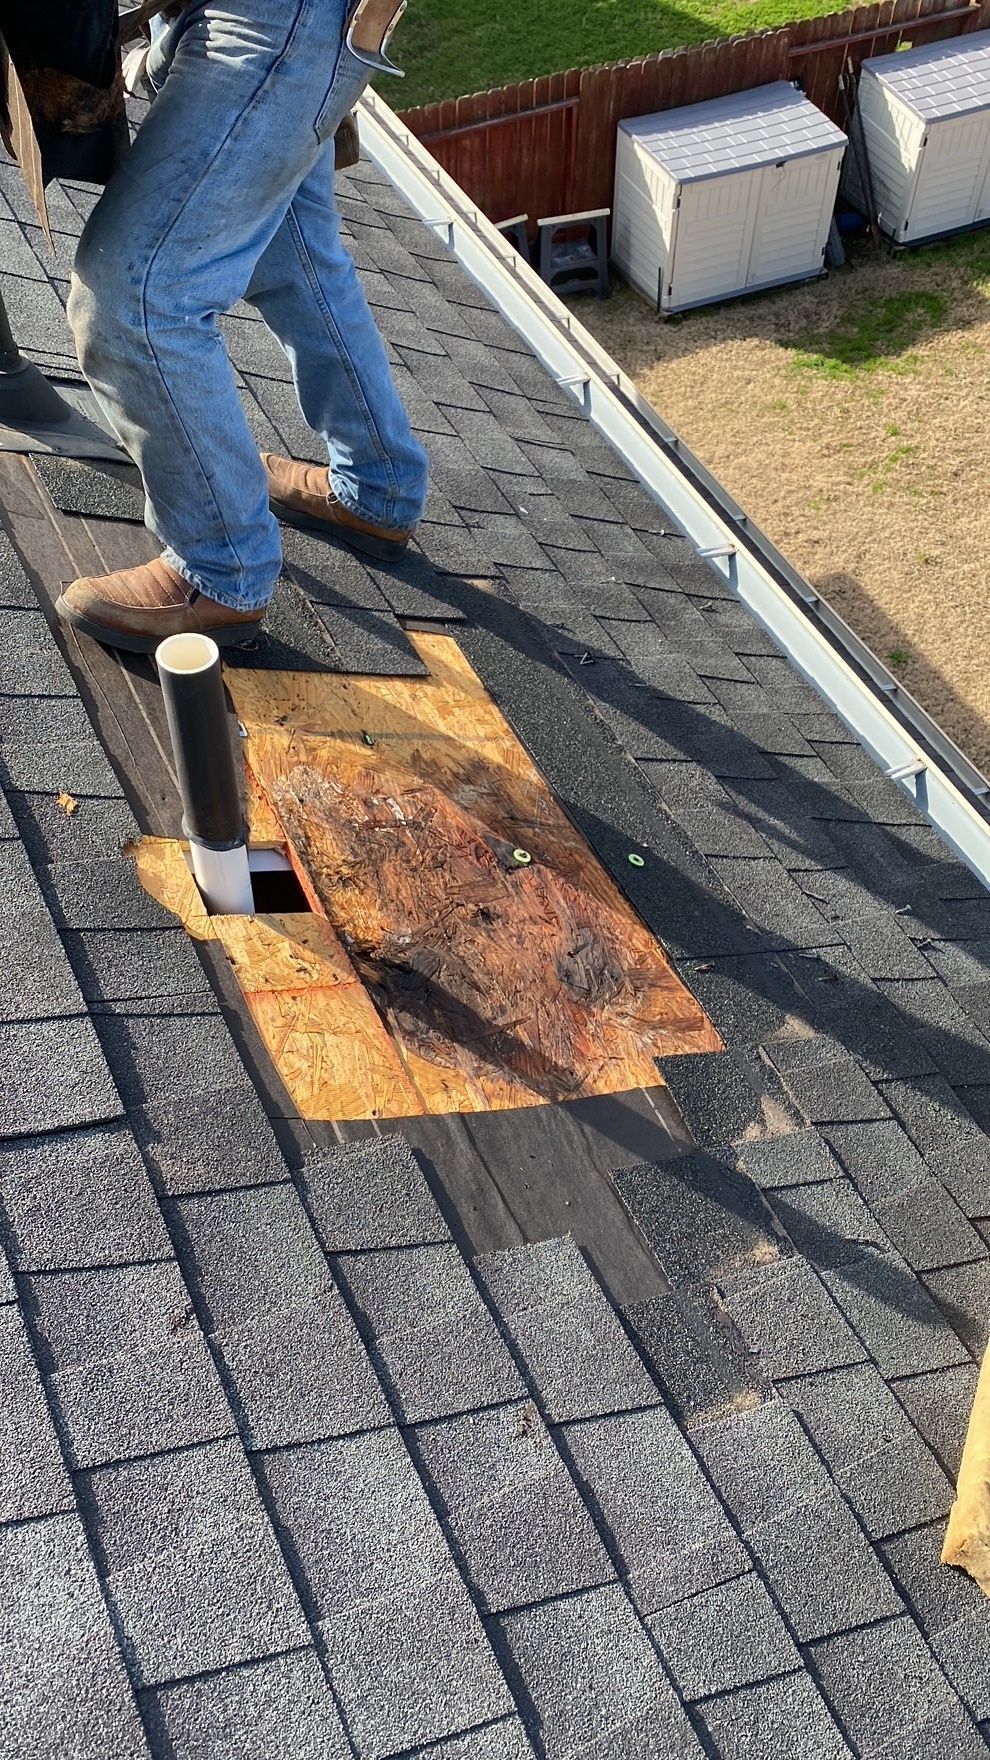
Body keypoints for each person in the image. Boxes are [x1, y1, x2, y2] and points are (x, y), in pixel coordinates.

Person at [53, 0, 429, 653]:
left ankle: (221, 568)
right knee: (295, 256)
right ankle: (379, 486)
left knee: (136, 295)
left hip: (275, 20)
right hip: (283, 21)